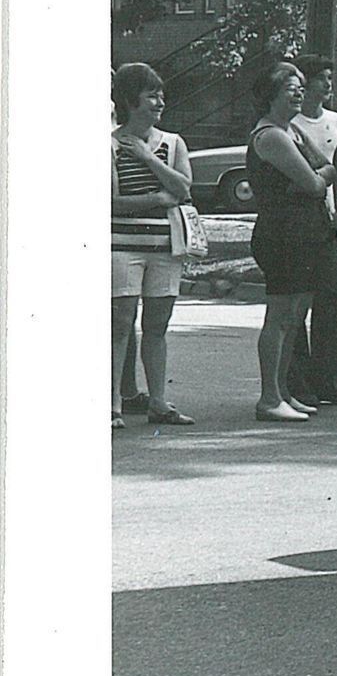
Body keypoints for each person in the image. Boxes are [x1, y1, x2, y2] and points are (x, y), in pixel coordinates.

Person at [245, 61, 337, 421]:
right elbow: (315, 182)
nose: (300, 93)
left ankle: (284, 391)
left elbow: (327, 167)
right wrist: (318, 176)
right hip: (282, 235)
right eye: (291, 88)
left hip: (306, 233)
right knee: (280, 315)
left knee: (295, 315)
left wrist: (319, 174)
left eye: (301, 86)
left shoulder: (294, 131)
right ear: (271, 95)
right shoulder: (271, 136)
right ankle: (269, 397)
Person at [111, 63, 199, 429]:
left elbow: (183, 188)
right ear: (131, 100)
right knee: (120, 324)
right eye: (151, 96)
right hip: (122, 246)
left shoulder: (172, 143)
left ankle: (158, 401)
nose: (160, 102)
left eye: (161, 95)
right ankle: (113, 404)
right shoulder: (110, 145)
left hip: (165, 248)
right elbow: (110, 202)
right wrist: (156, 198)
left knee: (157, 325)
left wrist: (148, 158)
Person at [284, 54, 337, 405]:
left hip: (325, 220)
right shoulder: (288, 123)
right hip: (297, 220)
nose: (327, 84)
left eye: (330, 78)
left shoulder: (336, 122)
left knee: (331, 299)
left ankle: (330, 381)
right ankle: (298, 382)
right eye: (321, 78)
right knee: (297, 301)